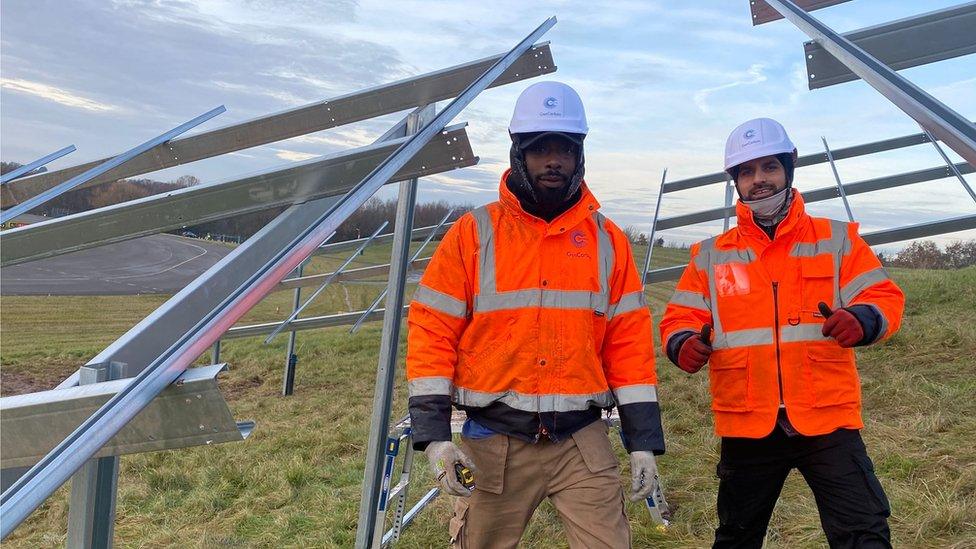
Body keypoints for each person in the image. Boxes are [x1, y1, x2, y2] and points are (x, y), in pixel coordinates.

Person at [405, 81, 665, 548]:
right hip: (494, 442)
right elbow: (431, 332)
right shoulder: (473, 234)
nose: (553, 161)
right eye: (540, 148)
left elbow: (628, 345)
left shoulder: (608, 242)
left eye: (564, 149)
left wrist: (642, 440)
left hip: (582, 442)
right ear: (518, 153)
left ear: (578, 156)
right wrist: (435, 435)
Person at [659, 117, 905, 548]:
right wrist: (683, 344)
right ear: (734, 181)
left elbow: (884, 296)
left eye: (769, 167)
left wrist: (863, 319)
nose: (760, 181)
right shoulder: (710, 256)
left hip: (827, 416)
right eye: (748, 172)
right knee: (736, 537)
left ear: (789, 167)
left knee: (863, 534)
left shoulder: (837, 239)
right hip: (748, 421)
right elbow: (678, 318)